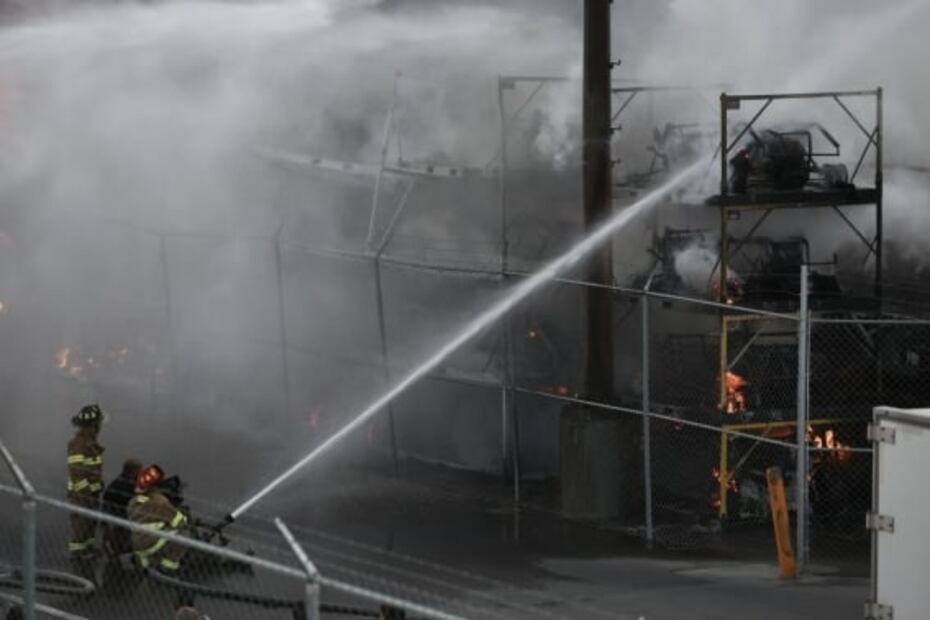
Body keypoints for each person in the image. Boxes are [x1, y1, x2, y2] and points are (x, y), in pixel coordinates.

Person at [127, 464, 189, 575]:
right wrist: (183, 516)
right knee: (184, 534)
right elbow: (179, 521)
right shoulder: (159, 501)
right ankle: (169, 567)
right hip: (151, 543)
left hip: (137, 544)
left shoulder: (133, 502)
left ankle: (143, 565)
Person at [66, 404, 105, 559]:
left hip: (92, 493)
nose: (99, 428)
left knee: (90, 522)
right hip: (81, 495)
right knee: (80, 524)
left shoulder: (90, 443)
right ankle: (78, 553)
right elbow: (76, 472)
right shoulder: (78, 444)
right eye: (97, 424)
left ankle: (88, 549)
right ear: (92, 426)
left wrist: (97, 486)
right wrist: (85, 492)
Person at [101, 458, 142, 556]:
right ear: (132, 471)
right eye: (139, 471)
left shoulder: (122, 481)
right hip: (118, 518)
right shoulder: (124, 486)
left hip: (113, 516)